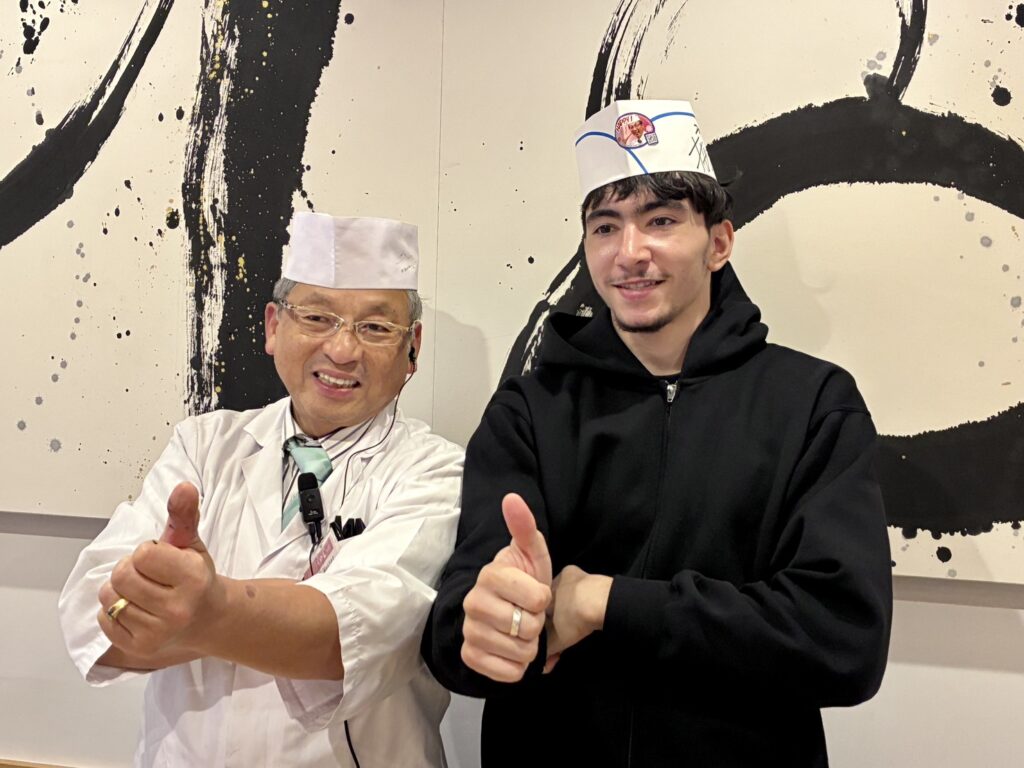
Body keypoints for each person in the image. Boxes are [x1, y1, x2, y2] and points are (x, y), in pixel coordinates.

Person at [422, 100, 893, 767]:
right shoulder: (528, 410)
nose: (629, 253)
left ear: (719, 242)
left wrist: (604, 601)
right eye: (605, 226)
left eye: (661, 220)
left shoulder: (813, 404)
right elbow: (456, 637)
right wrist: (485, 625)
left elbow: (843, 640)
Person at [59, 212, 463, 767]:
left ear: (412, 348)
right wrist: (190, 617)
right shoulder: (205, 445)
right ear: (274, 327)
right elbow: (95, 613)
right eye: (317, 317)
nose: (342, 350)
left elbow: (352, 635)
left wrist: (203, 613)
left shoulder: (437, 471)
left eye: (375, 328)